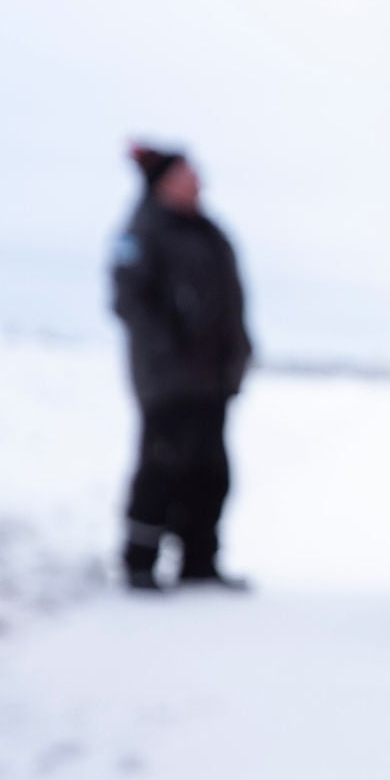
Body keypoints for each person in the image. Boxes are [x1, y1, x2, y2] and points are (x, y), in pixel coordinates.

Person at [110, 143, 253, 591]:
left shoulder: (209, 233)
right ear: (164, 182)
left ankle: (198, 562)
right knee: (161, 467)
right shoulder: (143, 230)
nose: (198, 182)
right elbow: (128, 299)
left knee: (210, 472)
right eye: (188, 174)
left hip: (214, 378)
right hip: (168, 379)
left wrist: (240, 352)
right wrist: (170, 352)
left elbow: (232, 303)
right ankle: (140, 562)